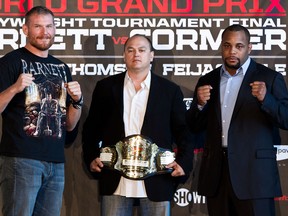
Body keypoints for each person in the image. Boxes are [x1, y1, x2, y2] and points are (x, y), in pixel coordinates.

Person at [82, 34, 194, 216]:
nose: (136, 54)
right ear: (124, 55)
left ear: (151, 55)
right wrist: (91, 156)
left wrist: (184, 162)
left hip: (157, 179)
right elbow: (91, 129)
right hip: (115, 179)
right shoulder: (105, 87)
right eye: (131, 50)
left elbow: (184, 131)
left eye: (142, 50)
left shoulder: (169, 91)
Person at [186, 24, 288, 216]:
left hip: (254, 176)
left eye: (239, 46)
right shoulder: (208, 80)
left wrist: (267, 100)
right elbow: (193, 126)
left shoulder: (270, 78)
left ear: (249, 48)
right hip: (217, 175)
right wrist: (199, 104)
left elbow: (286, 119)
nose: (232, 51)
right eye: (227, 45)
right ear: (221, 47)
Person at [0, 6, 82, 216]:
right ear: (25, 30)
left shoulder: (62, 68)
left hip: (55, 161)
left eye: (49, 26)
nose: (44, 32)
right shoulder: (10, 62)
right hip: (22, 158)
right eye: (38, 26)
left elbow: (70, 125)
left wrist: (78, 102)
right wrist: (15, 88)